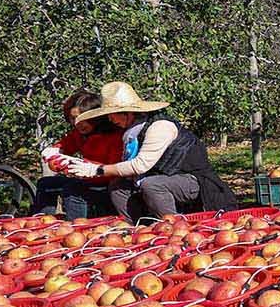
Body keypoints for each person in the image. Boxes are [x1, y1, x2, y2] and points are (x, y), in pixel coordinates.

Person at [60, 82, 237, 221]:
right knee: (118, 187)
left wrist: (97, 170)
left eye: (113, 114)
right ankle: (136, 228)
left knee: (152, 185)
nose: (110, 119)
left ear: (127, 112)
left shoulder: (160, 127)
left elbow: (140, 165)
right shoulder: (131, 132)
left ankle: (173, 226)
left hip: (193, 180)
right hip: (162, 176)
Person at [34, 90, 120, 219]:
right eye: (73, 118)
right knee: (46, 183)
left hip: (108, 182)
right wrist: (55, 153)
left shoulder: (114, 136)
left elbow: (115, 169)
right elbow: (65, 145)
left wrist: (84, 166)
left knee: (74, 188)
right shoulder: (80, 134)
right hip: (88, 178)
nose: (77, 123)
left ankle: (76, 227)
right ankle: (45, 220)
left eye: (82, 118)